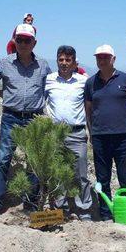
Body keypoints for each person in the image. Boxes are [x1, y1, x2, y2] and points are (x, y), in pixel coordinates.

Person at [0, 23, 52, 220]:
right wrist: (1, 93)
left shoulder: (44, 65)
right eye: (19, 39)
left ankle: (30, 203)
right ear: (14, 41)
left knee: (34, 163)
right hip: (11, 117)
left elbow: (51, 89)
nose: (22, 43)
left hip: (34, 119)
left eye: (27, 40)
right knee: (2, 160)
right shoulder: (5, 63)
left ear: (34, 43)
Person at [85, 44, 126, 221]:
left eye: (106, 57)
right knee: (102, 179)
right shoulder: (90, 83)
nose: (102, 60)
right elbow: (88, 110)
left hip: (124, 137)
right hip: (100, 138)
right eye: (99, 57)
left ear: (113, 59)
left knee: (125, 179)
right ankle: (105, 214)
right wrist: (92, 133)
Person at [45, 45, 92, 221]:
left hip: (77, 133)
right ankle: (60, 208)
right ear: (57, 60)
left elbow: (90, 105)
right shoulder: (48, 80)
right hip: (56, 133)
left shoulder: (83, 81)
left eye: (68, 60)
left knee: (80, 173)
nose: (64, 63)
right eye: (61, 59)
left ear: (74, 62)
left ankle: (84, 209)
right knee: (58, 172)